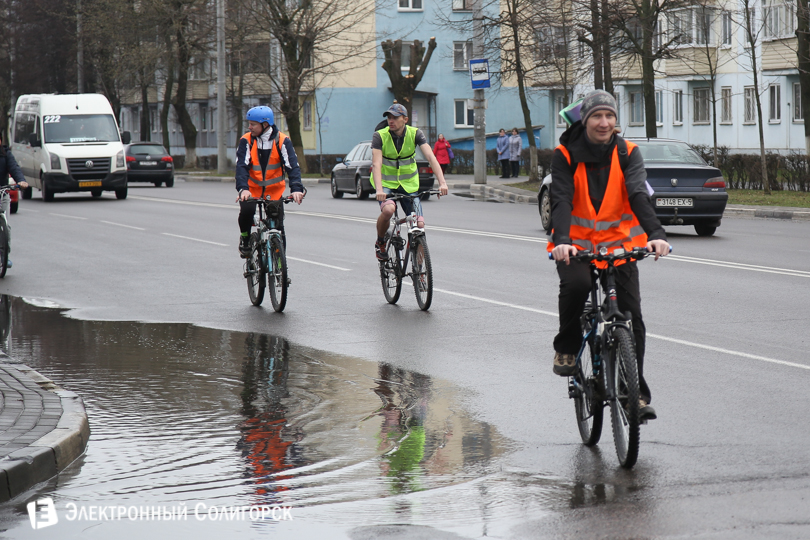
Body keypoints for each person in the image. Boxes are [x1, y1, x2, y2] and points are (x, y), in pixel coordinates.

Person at [547, 90, 669, 421]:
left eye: (610, 116)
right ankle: (567, 347)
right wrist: (561, 240)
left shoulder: (629, 152)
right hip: (576, 246)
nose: (604, 123)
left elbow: (638, 194)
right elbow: (561, 199)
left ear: (617, 121)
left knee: (632, 317)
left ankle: (636, 395)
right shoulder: (565, 154)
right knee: (576, 287)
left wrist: (656, 234)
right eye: (597, 117)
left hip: (619, 245)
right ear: (585, 120)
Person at [371, 103, 449, 260]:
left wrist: (442, 183)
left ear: (405, 119)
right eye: (389, 118)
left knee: (419, 225)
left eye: (395, 118)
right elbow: (376, 164)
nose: (391, 121)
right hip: (386, 184)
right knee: (388, 210)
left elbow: (431, 158)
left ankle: (418, 264)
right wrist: (379, 190)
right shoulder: (380, 135)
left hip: (409, 185)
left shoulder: (415, 134)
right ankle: (380, 242)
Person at [235, 106, 304, 258]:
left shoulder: (283, 141)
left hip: (274, 192)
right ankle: (245, 238)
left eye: (253, 124)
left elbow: (292, 167)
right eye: (249, 123)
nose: (249, 127)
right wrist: (243, 189)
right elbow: (241, 167)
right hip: (251, 191)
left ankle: (280, 264)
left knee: (278, 227)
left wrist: (296, 188)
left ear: (265, 125)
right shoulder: (246, 141)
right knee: (246, 212)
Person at [0, 133, 28, 269]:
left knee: (6, 225)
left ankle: (5, 256)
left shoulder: (6, 155)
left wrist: (21, 181)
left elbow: (14, 168)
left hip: (2, 193)